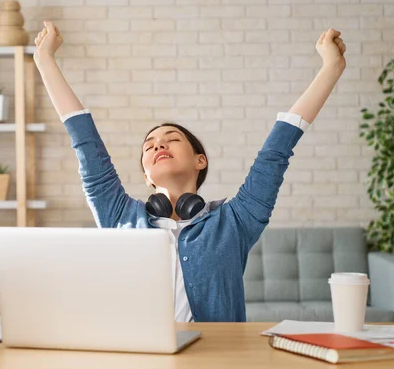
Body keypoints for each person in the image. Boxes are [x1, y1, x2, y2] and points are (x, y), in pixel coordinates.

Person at [33, 21, 347, 322]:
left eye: (171, 140)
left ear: (200, 160)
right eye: (149, 146)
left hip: (216, 357)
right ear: (146, 176)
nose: (158, 146)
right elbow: (85, 143)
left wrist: (331, 69)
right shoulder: (119, 216)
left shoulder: (235, 221)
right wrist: (44, 59)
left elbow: (275, 153)